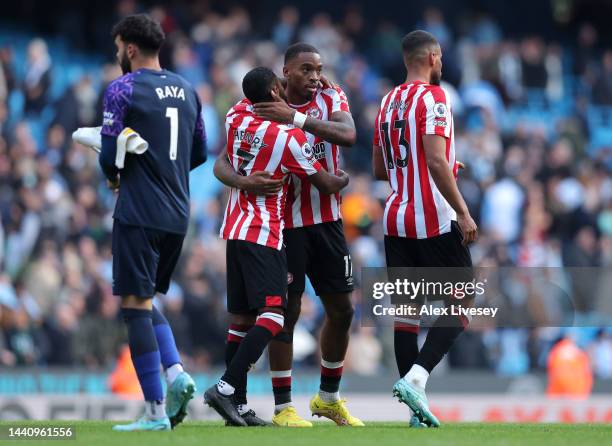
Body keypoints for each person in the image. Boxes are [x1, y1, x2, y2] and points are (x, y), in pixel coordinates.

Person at [215, 43, 363, 427]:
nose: (315, 76)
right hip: (284, 227)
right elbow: (222, 160)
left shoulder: (330, 95)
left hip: (327, 222)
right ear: (284, 74)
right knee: (283, 312)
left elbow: (349, 135)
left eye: (318, 69)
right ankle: (283, 407)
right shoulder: (255, 107)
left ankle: (328, 398)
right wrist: (246, 180)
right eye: (306, 70)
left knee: (342, 309)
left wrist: (296, 120)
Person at [98, 14, 206, 431]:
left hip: (139, 210)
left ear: (128, 47)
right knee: (144, 301)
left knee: (133, 306)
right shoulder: (187, 88)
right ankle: (176, 373)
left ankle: (156, 411)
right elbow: (197, 152)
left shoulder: (123, 88)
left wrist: (115, 175)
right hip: (178, 213)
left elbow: (110, 155)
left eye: (117, 48)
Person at [372, 30, 478, 428]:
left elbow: (381, 169)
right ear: (433, 57)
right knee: (464, 302)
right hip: (433, 216)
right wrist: (463, 212)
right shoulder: (434, 98)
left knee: (407, 313)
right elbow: (434, 161)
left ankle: (415, 411)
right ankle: (417, 378)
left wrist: (447, 165)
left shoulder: (386, 101)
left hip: (396, 217)